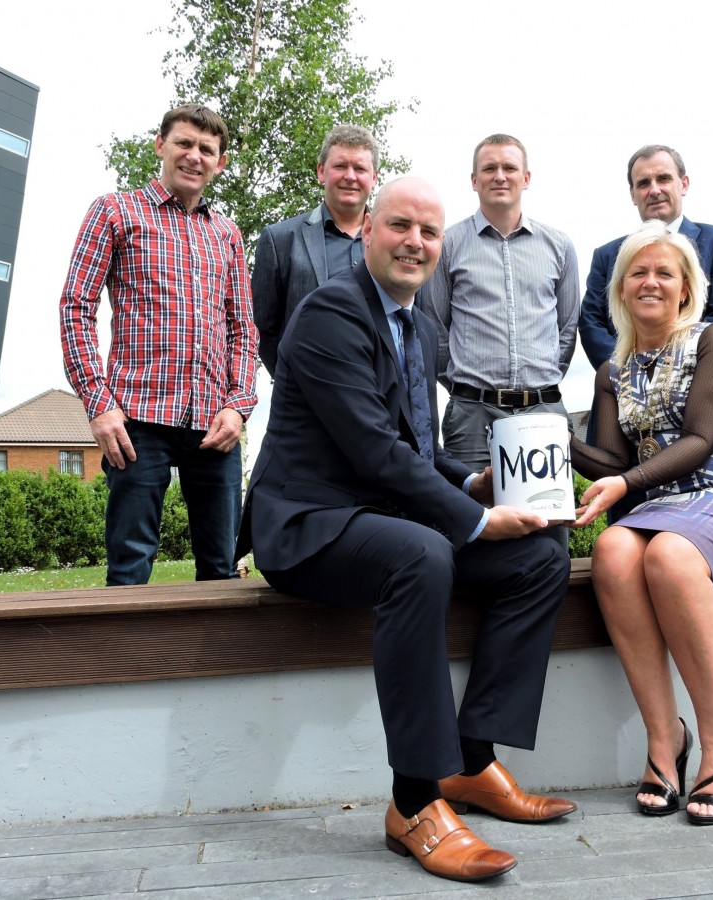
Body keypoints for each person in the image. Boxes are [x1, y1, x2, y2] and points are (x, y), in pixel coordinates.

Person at [236, 178, 575, 883]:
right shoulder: (330, 313)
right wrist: (475, 518)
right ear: (367, 233)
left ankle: (471, 759)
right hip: (310, 526)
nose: (415, 242)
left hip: (383, 519)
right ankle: (413, 800)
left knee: (541, 552)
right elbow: (371, 450)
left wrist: (473, 483)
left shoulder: (421, 327)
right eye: (400, 226)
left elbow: (415, 449)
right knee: (422, 552)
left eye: (428, 230)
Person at [570, 221, 713, 825]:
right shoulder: (612, 371)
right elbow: (612, 460)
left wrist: (624, 484)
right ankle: (665, 739)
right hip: (664, 506)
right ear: (620, 290)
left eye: (664, 272)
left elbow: (700, 438)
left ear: (686, 289)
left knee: (668, 553)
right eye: (638, 272)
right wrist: (544, 442)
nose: (650, 282)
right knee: (614, 549)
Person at [60, 104, 257, 586]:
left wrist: (239, 406)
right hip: (135, 420)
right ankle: (123, 661)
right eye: (184, 143)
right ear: (160, 145)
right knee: (129, 567)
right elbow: (76, 307)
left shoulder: (227, 234)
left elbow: (243, 330)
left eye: (206, 150)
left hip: (214, 422)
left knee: (222, 566)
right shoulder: (115, 211)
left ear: (220, 162)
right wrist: (99, 405)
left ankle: (220, 663)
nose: (194, 156)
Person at [418, 133, 578, 473]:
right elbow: (434, 328)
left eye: (509, 167)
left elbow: (566, 328)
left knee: (547, 520)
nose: (500, 176)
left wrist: (539, 382)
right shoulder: (447, 246)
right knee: (476, 521)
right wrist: (466, 387)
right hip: (473, 416)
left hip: (542, 411)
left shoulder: (559, 246)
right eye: (489, 168)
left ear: (526, 178)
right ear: (474, 181)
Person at [578, 144, 713, 371]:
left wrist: (671, 372)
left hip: (698, 383)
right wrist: (632, 373)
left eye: (664, 179)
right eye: (644, 183)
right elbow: (591, 323)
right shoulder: (606, 255)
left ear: (683, 184)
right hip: (622, 391)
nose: (654, 190)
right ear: (633, 194)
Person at [253, 124, 379, 378]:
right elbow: (263, 329)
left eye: (360, 168)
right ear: (322, 172)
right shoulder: (279, 240)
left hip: (380, 398)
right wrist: (293, 381)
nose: (350, 176)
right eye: (340, 166)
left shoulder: (393, 243)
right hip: (304, 402)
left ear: (374, 178)